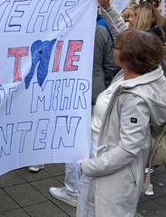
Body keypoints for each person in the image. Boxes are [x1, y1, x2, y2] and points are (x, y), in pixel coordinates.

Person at [77, 28, 166, 217]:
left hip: (112, 176)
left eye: (115, 47)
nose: (112, 49)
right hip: (100, 164)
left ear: (128, 55)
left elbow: (128, 148)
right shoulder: (125, 75)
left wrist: (91, 166)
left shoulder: (135, 98)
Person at [48, 24, 117, 207]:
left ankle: (72, 190)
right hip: (95, 91)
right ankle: (89, 189)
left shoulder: (62, 30)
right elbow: (110, 64)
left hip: (72, 93)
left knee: (72, 141)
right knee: (94, 141)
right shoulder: (102, 32)